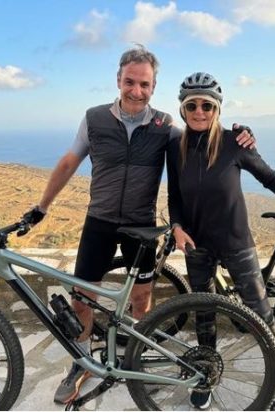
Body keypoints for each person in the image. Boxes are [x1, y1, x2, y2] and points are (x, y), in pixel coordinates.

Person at [22, 46, 255, 405]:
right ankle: (81, 362)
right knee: (82, 299)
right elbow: (69, 161)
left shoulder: (165, 126)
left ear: (153, 86)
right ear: (118, 80)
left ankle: (136, 355)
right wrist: (42, 207)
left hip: (141, 227)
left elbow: (201, 135)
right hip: (99, 222)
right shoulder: (94, 118)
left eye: (144, 84)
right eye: (130, 82)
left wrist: (240, 134)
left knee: (142, 298)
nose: (136, 90)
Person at [167, 72, 275, 411]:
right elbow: (174, 195)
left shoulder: (234, 142)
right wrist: (176, 226)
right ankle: (206, 371)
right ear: (182, 109)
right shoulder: (175, 148)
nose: (199, 112)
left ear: (217, 109)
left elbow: (269, 178)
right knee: (203, 311)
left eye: (207, 105)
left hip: (235, 240)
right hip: (196, 243)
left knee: (261, 312)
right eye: (192, 106)